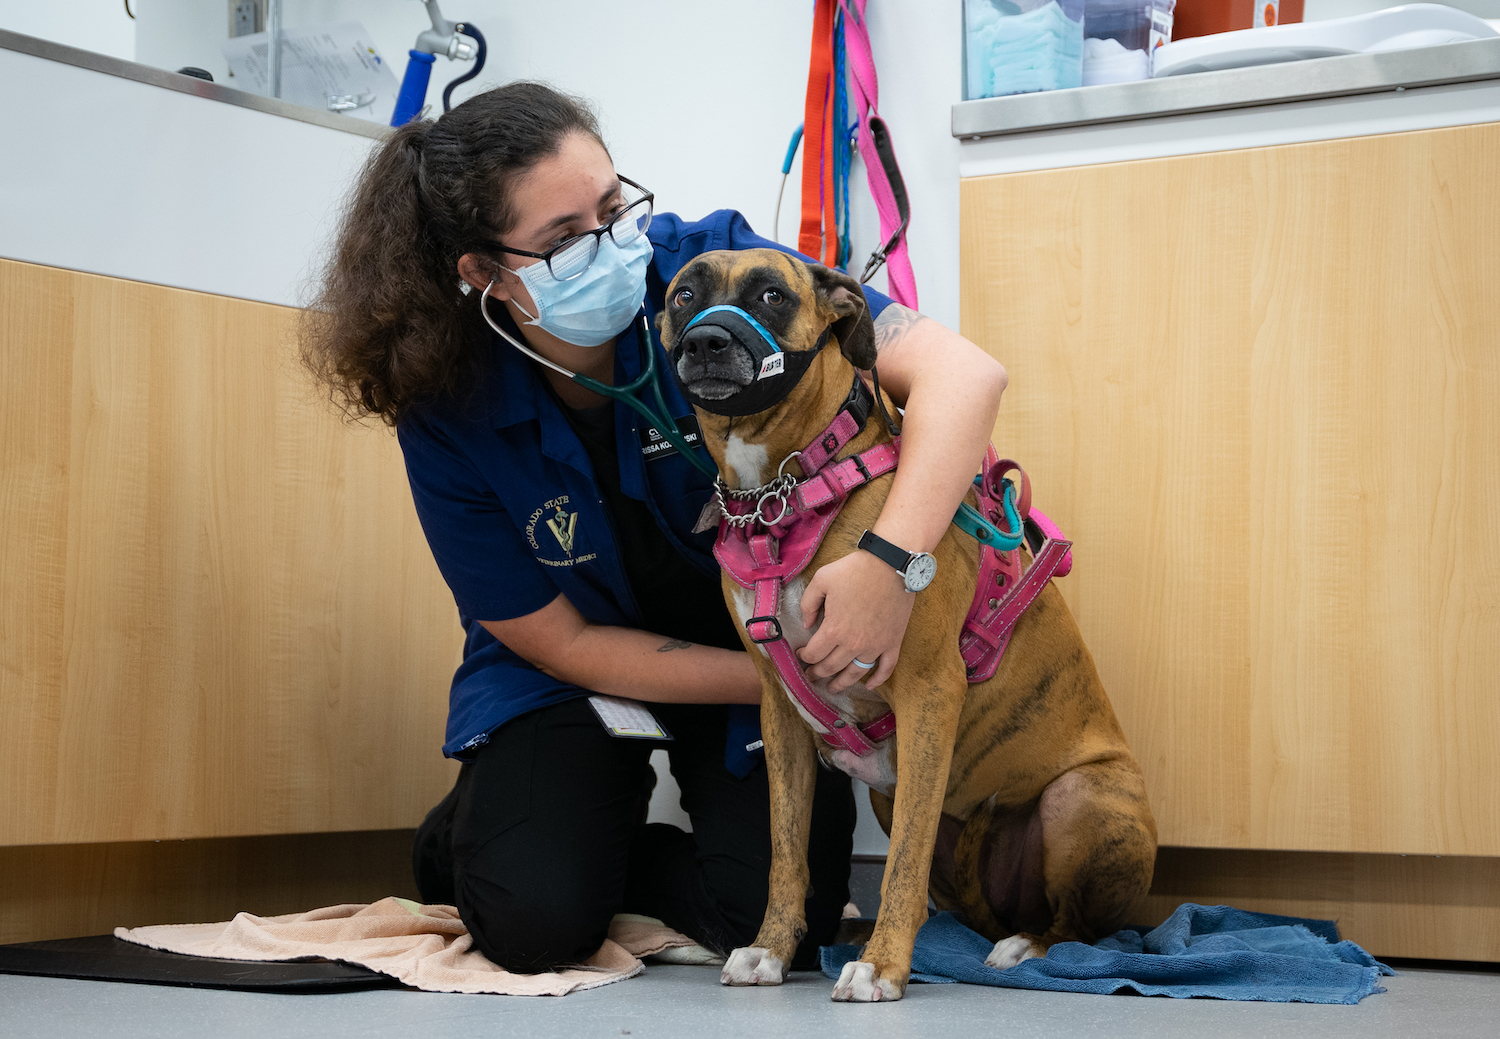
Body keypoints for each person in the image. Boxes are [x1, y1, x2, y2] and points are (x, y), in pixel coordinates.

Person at [301, 82, 1007, 974]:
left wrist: (887, 564)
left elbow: (964, 377)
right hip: (585, 679)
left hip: (756, 642)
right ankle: (486, 843)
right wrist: (788, 678)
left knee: (783, 920)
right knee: (532, 922)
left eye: (612, 206)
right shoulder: (446, 400)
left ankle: (593, 856)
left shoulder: (709, 270)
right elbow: (558, 641)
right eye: (564, 240)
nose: (610, 247)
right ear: (482, 272)